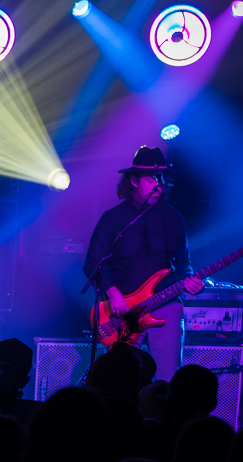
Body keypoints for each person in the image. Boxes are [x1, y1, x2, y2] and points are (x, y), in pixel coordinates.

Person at [84, 146, 204, 381]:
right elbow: (93, 262)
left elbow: (183, 264)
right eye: (151, 179)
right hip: (123, 309)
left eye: (161, 178)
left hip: (165, 303)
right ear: (133, 181)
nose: (158, 184)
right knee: (121, 380)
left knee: (166, 378)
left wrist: (189, 282)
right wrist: (113, 292)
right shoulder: (113, 218)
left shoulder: (173, 218)